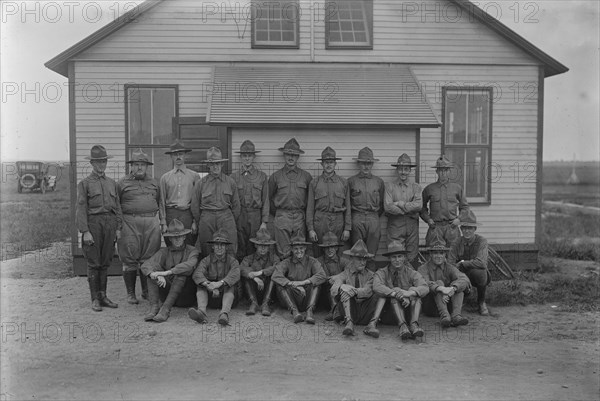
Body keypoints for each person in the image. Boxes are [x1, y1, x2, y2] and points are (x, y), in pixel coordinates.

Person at [76, 145, 123, 312]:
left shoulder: (112, 183)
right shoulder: (85, 184)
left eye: (104, 161)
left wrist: (118, 227)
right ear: (92, 163)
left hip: (109, 225)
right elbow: (81, 209)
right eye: (98, 161)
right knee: (94, 262)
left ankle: (103, 296)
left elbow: (117, 207)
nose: (101, 164)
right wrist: (85, 231)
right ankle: (95, 298)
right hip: (94, 225)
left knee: (105, 262)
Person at [117, 149, 161, 304]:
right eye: (136, 164)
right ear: (132, 166)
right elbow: (116, 206)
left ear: (147, 166)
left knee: (148, 258)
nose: (139, 168)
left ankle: (146, 291)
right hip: (129, 223)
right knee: (129, 258)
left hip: (151, 223)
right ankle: (130, 294)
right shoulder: (122, 183)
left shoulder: (155, 182)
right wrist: (118, 227)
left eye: (142, 164)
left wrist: (162, 223)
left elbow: (160, 203)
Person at [140, 219, 200, 322]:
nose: (177, 239)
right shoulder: (164, 251)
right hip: (167, 292)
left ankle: (165, 310)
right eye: (174, 237)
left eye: (180, 236)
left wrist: (166, 273)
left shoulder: (192, 250)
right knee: (152, 273)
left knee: (181, 273)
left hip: (186, 295)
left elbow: (190, 265)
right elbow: (146, 265)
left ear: (184, 237)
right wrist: (156, 275)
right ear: (170, 239)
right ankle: (154, 307)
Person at [372, 241, 429, 340]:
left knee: (416, 295)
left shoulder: (411, 273)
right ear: (389, 258)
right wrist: (397, 293)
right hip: (389, 314)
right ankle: (402, 327)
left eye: (400, 256)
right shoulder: (381, 272)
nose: (397, 260)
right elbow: (377, 286)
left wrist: (409, 293)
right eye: (394, 257)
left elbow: (425, 287)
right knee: (394, 298)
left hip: (408, 312)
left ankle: (414, 325)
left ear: (404, 257)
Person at [191, 147, 240, 257]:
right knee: (207, 248)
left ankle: (229, 272)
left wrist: (229, 219)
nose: (215, 166)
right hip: (206, 218)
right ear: (208, 165)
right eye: (212, 164)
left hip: (226, 216)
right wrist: (202, 220)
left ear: (222, 164)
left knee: (230, 246)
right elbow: (195, 206)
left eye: (218, 163)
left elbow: (236, 206)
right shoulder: (201, 183)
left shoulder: (230, 182)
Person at [268, 138, 312, 258]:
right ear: (284, 155)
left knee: (299, 251)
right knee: (283, 252)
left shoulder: (306, 177)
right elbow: (268, 199)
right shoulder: (275, 176)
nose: (291, 157)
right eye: (288, 154)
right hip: (282, 216)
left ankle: (298, 276)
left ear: (298, 157)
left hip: (300, 217)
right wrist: (279, 213)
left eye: (294, 155)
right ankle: (282, 276)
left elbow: (310, 201)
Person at [188, 230, 241, 326]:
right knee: (200, 284)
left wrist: (219, 283)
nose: (219, 247)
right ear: (213, 246)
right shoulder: (206, 260)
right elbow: (197, 274)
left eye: (222, 245)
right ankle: (201, 313)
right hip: (211, 296)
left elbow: (235, 274)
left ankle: (224, 314)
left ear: (226, 247)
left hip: (228, 298)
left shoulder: (233, 261)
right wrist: (208, 285)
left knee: (230, 285)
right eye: (217, 245)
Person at [271, 232, 326, 324]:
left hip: (307, 297)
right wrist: (292, 284)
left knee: (316, 284)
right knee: (280, 286)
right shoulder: (287, 262)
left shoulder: (312, 261)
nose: (299, 251)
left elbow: (322, 275)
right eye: (295, 249)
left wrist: (303, 283)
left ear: (305, 248)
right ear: (292, 249)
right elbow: (276, 275)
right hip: (292, 296)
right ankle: (295, 312)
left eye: (301, 248)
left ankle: (310, 312)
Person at [306, 147, 351, 258]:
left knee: (338, 252)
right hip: (320, 221)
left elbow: (348, 207)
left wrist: (347, 228)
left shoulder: (343, 182)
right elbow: (310, 208)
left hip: (338, 222)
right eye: (326, 162)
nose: (328, 165)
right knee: (319, 251)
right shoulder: (314, 183)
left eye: (331, 162)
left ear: (335, 163)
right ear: (322, 164)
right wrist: (311, 229)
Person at [418, 235, 471, 327]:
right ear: (430, 254)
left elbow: (464, 279)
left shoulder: (450, 267)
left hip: (449, 304)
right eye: (435, 253)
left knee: (458, 287)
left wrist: (452, 289)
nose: (439, 256)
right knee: (439, 282)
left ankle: (456, 316)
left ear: (445, 255)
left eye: (441, 253)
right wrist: (440, 288)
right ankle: (444, 316)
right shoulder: (423, 268)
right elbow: (423, 283)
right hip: (431, 306)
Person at [329, 240, 379, 337]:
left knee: (377, 293)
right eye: (359, 259)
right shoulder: (345, 273)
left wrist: (353, 291)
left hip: (365, 312)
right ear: (352, 258)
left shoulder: (371, 275)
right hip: (351, 311)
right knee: (343, 291)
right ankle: (349, 323)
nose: (363, 262)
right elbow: (333, 290)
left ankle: (372, 324)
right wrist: (342, 286)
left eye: (365, 259)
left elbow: (367, 291)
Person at [230, 140, 269, 260]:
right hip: (239, 214)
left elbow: (266, 200)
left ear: (254, 157)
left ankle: (252, 273)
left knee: (254, 245)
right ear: (241, 157)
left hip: (255, 215)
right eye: (244, 156)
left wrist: (264, 221)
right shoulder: (233, 177)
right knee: (240, 244)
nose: (247, 158)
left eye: (249, 156)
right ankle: (241, 274)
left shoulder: (261, 176)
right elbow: (231, 200)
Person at [448, 209, 491, 316]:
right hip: (460, 274)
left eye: (470, 228)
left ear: (475, 229)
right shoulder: (456, 242)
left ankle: (481, 302)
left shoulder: (482, 241)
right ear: (461, 229)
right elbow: (450, 263)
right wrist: (458, 269)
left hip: (475, 274)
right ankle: (462, 299)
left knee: (481, 273)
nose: (467, 231)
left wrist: (463, 263)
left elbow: (481, 263)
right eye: (464, 228)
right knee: (451, 274)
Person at [420, 155, 469, 246]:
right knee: (436, 254)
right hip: (435, 227)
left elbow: (465, 207)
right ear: (437, 171)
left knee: (453, 254)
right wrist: (428, 219)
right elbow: (421, 208)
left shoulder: (457, 188)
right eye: (440, 170)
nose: (443, 173)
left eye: (445, 170)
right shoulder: (429, 189)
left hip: (452, 227)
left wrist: (459, 219)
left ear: (449, 171)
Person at [347, 147, 385, 263]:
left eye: (369, 163)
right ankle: (356, 280)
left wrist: (373, 216)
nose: (366, 166)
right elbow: (347, 204)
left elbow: (382, 204)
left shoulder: (378, 182)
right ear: (359, 164)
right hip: (356, 218)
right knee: (357, 253)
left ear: (372, 164)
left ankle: (371, 279)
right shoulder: (351, 181)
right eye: (363, 163)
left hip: (373, 218)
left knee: (371, 253)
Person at [384, 154, 422, 266]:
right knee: (395, 254)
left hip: (412, 225)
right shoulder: (390, 186)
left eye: (406, 169)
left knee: (412, 255)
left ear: (410, 170)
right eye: (401, 169)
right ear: (397, 170)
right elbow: (388, 206)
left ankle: (410, 281)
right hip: (395, 224)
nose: (403, 172)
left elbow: (419, 205)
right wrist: (407, 210)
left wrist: (401, 204)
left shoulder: (416, 187)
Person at [159, 139, 199, 246]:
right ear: (171, 157)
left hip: (187, 214)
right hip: (171, 214)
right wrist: (163, 222)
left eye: (180, 154)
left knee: (188, 244)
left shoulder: (194, 176)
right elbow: (162, 201)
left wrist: (195, 221)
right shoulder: (165, 178)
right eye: (175, 154)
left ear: (185, 155)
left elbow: (197, 201)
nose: (178, 157)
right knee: (172, 244)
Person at [239, 228, 280, 316]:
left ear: (269, 247)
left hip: (269, 292)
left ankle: (266, 304)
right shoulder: (249, 258)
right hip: (253, 291)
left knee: (274, 277)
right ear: (256, 245)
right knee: (247, 278)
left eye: (265, 246)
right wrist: (254, 277)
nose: (263, 248)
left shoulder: (274, 258)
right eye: (260, 245)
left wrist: (261, 272)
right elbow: (242, 268)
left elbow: (278, 267)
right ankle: (253, 303)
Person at [316, 231, 348, 321]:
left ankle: (337, 310)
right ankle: (334, 309)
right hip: (323, 297)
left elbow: (350, 272)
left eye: (332, 247)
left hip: (340, 295)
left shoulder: (343, 261)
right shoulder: (317, 261)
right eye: (327, 248)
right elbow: (316, 275)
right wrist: (327, 279)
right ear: (323, 249)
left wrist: (338, 277)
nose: (330, 250)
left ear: (337, 248)